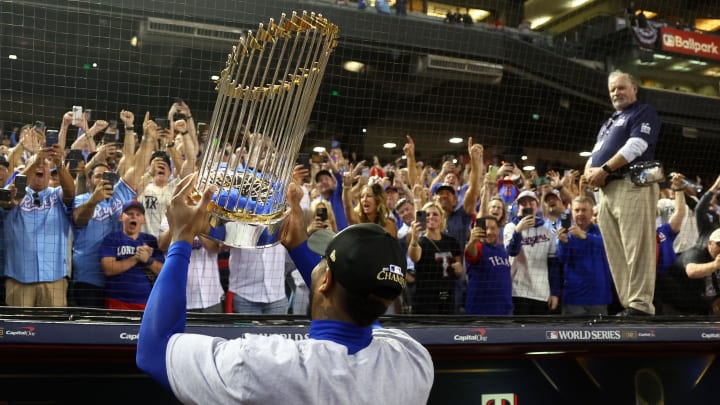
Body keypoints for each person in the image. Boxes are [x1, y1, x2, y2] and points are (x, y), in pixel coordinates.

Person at [136, 175, 434, 403]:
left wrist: (180, 238)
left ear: (326, 281)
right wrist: (299, 245)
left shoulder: (265, 365)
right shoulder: (413, 361)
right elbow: (365, 307)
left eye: (320, 261)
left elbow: (154, 349)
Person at [585, 70, 661, 316]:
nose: (616, 93)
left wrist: (604, 169)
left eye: (621, 87)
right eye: (612, 90)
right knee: (616, 250)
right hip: (606, 191)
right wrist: (589, 171)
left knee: (637, 246)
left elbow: (637, 145)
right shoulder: (608, 123)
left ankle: (641, 305)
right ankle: (629, 304)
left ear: (634, 88)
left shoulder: (642, 112)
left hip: (632, 184)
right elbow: (596, 151)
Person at [1, 145, 75, 307]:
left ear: (50, 173)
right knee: (18, 330)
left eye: (45, 164)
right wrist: (37, 160)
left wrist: (59, 164)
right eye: (36, 164)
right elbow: (6, 199)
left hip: (54, 279)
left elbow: (70, 193)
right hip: (18, 278)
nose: (41, 165)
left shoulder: (56, 195)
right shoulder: (15, 192)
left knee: (54, 331)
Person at [504, 190, 561, 315]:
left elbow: (554, 265)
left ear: (537, 206)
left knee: (539, 332)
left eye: (531, 202)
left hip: (541, 293)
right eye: (523, 203)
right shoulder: (510, 227)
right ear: (518, 207)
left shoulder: (548, 231)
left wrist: (555, 293)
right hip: (517, 291)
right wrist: (518, 231)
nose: (528, 206)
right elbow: (512, 251)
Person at [100, 199, 164, 309]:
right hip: (117, 300)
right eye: (129, 214)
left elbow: (163, 271)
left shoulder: (150, 240)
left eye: (138, 214)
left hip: (146, 301)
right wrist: (136, 258)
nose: (133, 217)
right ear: (121, 217)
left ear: (143, 219)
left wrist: (148, 260)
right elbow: (108, 269)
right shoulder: (112, 239)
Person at [556, 196, 614, 315]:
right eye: (577, 210)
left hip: (599, 297)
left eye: (584, 210)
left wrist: (585, 236)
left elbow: (609, 246)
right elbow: (562, 259)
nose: (580, 213)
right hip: (574, 297)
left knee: (600, 333)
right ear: (571, 213)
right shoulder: (566, 235)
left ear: (592, 212)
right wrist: (563, 243)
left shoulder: (602, 231)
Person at [407, 201, 463, 314]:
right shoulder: (420, 242)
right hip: (426, 299)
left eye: (435, 214)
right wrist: (414, 238)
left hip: (447, 297)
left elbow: (459, 271)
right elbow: (415, 257)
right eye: (427, 215)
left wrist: (459, 269)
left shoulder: (452, 242)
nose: (431, 217)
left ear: (442, 218)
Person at [464, 216, 512, 315]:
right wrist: (472, 241)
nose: (489, 232)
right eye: (485, 228)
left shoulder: (503, 250)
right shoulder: (478, 246)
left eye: (493, 228)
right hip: (480, 312)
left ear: (498, 230)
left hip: (504, 311)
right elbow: (471, 252)